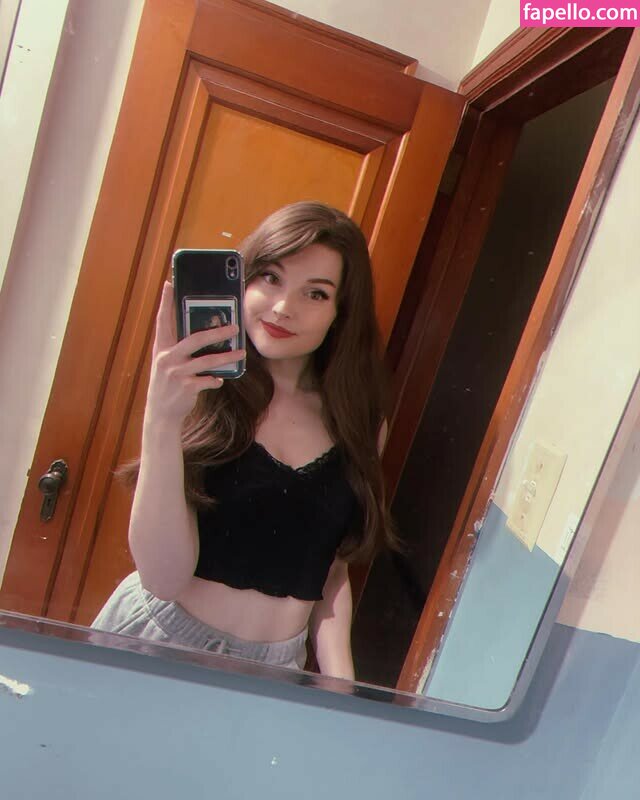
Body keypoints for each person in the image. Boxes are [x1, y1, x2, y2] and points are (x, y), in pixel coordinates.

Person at [92, 201, 397, 679]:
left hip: (275, 670)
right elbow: (163, 577)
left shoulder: (361, 424)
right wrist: (161, 419)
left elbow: (332, 567)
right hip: (159, 640)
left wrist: (339, 681)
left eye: (315, 293)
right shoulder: (201, 393)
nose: (283, 307)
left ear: (340, 312)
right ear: (244, 282)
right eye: (271, 277)